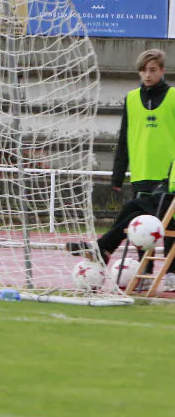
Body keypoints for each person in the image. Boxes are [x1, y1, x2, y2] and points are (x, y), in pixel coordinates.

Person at [68, 49, 175, 290]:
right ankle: (142, 272)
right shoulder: (132, 98)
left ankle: (167, 273)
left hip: (169, 175)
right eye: (143, 70)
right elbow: (123, 138)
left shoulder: (173, 98)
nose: (147, 75)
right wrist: (118, 174)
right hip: (141, 172)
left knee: (162, 223)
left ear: (162, 71)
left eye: (152, 70)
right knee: (139, 222)